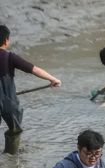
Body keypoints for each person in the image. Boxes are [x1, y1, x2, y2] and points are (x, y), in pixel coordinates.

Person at [0, 25, 61, 154]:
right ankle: (11, 154)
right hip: (7, 101)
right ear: (6, 40)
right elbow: (34, 69)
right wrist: (53, 79)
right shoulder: (10, 57)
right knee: (15, 128)